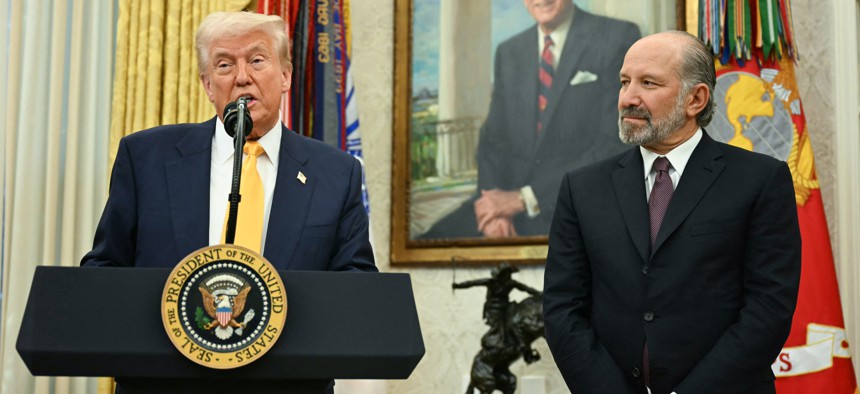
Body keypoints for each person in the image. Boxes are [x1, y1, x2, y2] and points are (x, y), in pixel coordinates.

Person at [543, 31, 801, 394]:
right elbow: (561, 309)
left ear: (696, 99)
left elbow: (768, 308)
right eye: (624, 82)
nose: (628, 98)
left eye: (648, 83)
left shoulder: (760, 180)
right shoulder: (582, 188)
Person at [81, 12, 375, 273]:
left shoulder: (336, 174)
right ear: (208, 86)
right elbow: (105, 269)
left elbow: (356, 289)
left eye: (257, 61)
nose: (242, 77)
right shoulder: (146, 159)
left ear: (285, 76)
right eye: (224, 65)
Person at [422, 0, 640, 238]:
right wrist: (494, 208)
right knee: (426, 245)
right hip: (504, 200)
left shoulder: (617, 37)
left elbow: (614, 144)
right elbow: (492, 140)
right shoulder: (509, 52)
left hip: (572, 204)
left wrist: (525, 198)